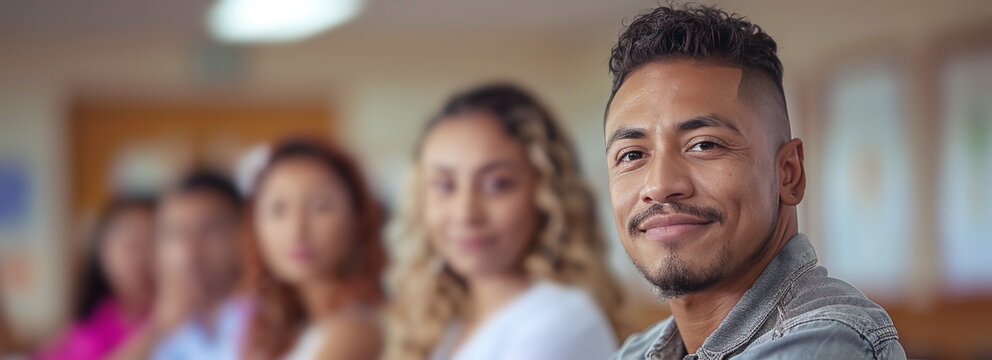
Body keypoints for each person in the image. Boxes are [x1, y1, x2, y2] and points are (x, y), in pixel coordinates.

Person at [603, 4, 907, 359]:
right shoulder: (637, 351)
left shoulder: (827, 341)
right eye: (632, 155)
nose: (658, 185)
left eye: (704, 144)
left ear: (788, 174)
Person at [386, 84, 626, 360]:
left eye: (497, 184)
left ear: (547, 195)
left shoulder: (560, 321)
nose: (466, 213)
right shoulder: (447, 325)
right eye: (445, 185)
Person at [242, 138, 387, 360]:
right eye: (278, 209)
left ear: (358, 218)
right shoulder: (294, 327)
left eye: (320, 206)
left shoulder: (357, 329)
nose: (296, 230)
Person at [111, 171, 250, 360]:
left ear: (245, 233)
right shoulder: (168, 328)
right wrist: (158, 330)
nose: (189, 251)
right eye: (174, 233)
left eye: (209, 230)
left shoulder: (270, 317)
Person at [38, 197, 157, 360]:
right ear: (101, 250)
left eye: (150, 242)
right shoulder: (94, 316)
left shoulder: (178, 316)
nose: (140, 256)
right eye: (130, 242)